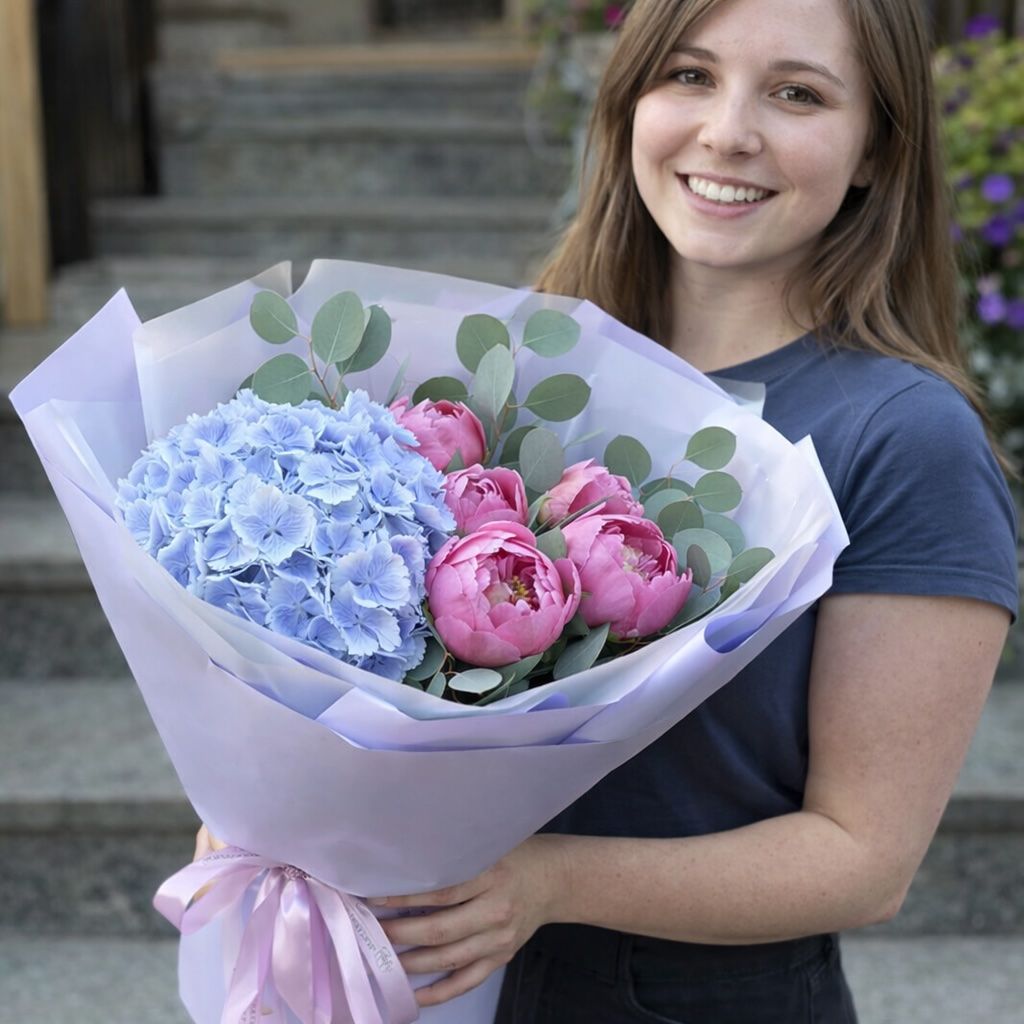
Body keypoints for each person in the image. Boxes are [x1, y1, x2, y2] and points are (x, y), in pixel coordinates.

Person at [352, 0, 1020, 1020]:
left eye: (796, 94)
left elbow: (864, 858)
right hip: (443, 981)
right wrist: (280, 817)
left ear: (878, 150)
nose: (727, 132)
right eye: (690, 76)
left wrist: (545, 884)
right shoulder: (518, 383)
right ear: (630, 101)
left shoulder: (902, 439)